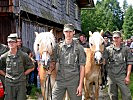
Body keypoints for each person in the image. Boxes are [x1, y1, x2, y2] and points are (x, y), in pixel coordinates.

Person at [52, 24, 86, 100]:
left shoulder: (79, 48)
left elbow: (82, 67)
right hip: (60, 80)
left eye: (70, 31)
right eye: (66, 31)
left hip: (74, 81)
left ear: (73, 32)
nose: (68, 34)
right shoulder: (58, 47)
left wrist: (80, 85)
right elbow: (52, 62)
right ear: (63, 32)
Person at [0, 33, 34, 100]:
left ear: (16, 43)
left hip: (21, 83)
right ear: (7, 43)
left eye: (13, 42)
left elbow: (31, 67)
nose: (11, 44)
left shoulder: (23, 55)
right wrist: (6, 75)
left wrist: (23, 74)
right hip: (9, 84)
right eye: (9, 42)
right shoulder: (4, 56)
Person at [105, 31, 132, 100]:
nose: (116, 39)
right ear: (112, 39)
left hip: (122, 75)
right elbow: (103, 61)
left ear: (121, 38)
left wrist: (128, 76)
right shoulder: (108, 49)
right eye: (114, 37)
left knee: (127, 96)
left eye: (117, 37)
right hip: (111, 76)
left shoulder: (126, 49)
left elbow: (129, 63)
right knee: (113, 96)